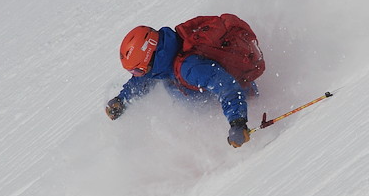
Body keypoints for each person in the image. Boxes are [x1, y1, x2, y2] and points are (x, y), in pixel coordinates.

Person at [105, 20, 263, 148]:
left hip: (245, 108)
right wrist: (122, 99)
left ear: (152, 57)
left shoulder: (190, 69)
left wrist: (237, 123)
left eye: (138, 70)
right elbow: (144, 78)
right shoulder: (165, 57)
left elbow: (227, 86)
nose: (138, 75)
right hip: (218, 111)